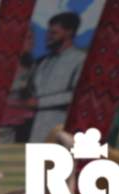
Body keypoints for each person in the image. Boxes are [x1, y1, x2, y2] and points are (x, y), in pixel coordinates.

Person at [17, 11, 85, 149]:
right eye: (48, 32)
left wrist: (39, 102)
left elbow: (77, 94)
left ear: (69, 33)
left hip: (58, 126)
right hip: (31, 126)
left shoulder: (80, 59)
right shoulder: (44, 61)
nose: (48, 37)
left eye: (54, 33)